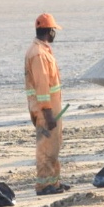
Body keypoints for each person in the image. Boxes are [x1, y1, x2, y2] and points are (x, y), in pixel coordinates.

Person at [24, 13, 71, 195]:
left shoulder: (42, 50)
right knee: (45, 147)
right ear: (50, 31)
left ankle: (53, 182)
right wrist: (47, 112)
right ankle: (44, 185)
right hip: (46, 109)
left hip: (51, 106)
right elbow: (42, 85)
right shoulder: (38, 54)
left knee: (53, 145)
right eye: (54, 30)